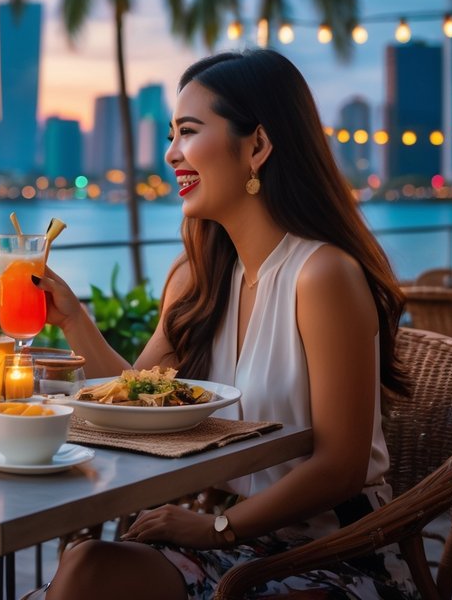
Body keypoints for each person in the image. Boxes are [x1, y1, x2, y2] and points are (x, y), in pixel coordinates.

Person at [31, 49, 419, 599]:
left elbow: (342, 466)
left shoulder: (322, 275)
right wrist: (71, 318)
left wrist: (218, 527)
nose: (170, 154)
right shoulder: (198, 277)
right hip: (242, 544)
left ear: (257, 146)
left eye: (187, 132)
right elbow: (129, 403)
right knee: (85, 567)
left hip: (341, 551)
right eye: (171, 135)